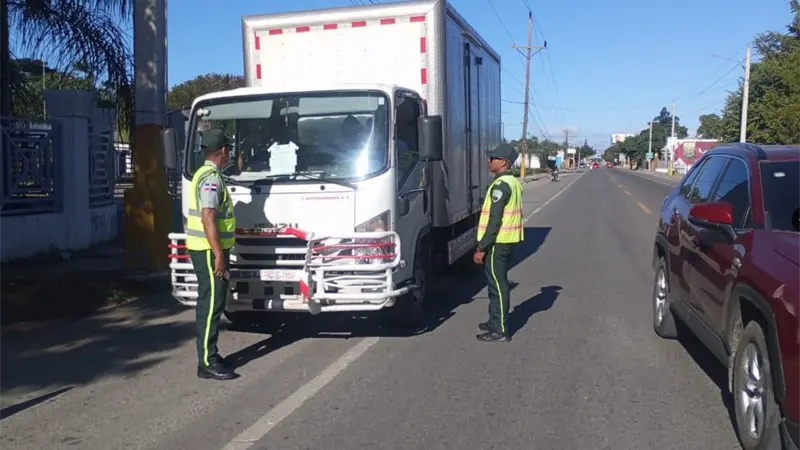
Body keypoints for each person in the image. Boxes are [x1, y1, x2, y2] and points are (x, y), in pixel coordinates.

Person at [185, 128, 239, 380]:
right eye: (228, 149)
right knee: (211, 304)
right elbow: (208, 216)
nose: (230, 153)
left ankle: (210, 355)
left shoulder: (207, 174)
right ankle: (207, 361)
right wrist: (218, 253)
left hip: (209, 249)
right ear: (223, 151)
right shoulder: (210, 178)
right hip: (208, 251)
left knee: (213, 302)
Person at [473, 143, 524, 342]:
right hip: (507, 240)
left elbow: (494, 220)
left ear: (503, 162)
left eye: (492, 158)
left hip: (498, 241)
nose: (489, 161)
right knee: (495, 281)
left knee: (498, 284)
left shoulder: (501, 185)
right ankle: (494, 320)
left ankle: (500, 329)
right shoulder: (512, 182)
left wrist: (481, 247)